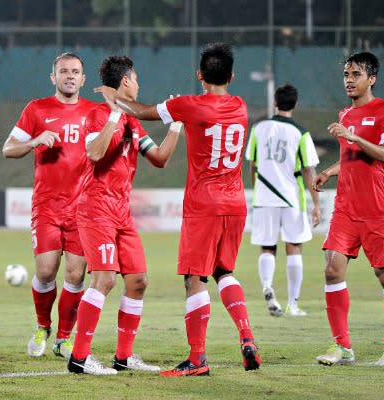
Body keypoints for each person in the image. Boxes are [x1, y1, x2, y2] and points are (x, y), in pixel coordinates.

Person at [96, 42, 262, 376]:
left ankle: (197, 358)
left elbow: (142, 112)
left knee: (194, 278)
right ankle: (246, 337)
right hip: (236, 202)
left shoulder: (190, 105)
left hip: (204, 204)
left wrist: (115, 99)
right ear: (232, 75)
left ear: (200, 75)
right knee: (223, 271)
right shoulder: (241, 106)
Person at [67, 55, 182, 376]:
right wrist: (114, 116)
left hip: (121, 214)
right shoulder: (96, 114)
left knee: (138, 281)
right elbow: (94, 152)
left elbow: (159, 159)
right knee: (104, 279)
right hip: (96, 210)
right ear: (127, 82)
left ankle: (123, 356)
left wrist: (175, 126)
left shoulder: (134, 121)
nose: (139, 85)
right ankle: (79, 357)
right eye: (137, 79)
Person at [2, 53, 97, 360]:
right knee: (45, 272)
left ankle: (64, 339)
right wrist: (34, 141)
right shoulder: (36, 109)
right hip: (47, 207)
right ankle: (43, 326)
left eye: (76, 72)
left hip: (83, 208)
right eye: (64, 71)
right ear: (53, 77)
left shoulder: (94, 113)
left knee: (75, 275)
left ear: (83, 79)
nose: (70, 76)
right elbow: (8, 149)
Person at [313, 52, 384, 366]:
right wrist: (329, 171)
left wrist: (353, 136)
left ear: (372, 78)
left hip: (378, 208)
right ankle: (342, 346)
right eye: (346, 75)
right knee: (331, 269)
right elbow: (352, 158)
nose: (349, 80)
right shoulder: (344, 114)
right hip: (345, 207)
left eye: (356, 74)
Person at [244, 83, 321, 318]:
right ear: (295, 104)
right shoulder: (300, 132)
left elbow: (253, 165)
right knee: (294, 247)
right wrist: (316, 203)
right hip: (291, 197)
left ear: (275, 102)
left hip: (264, 197)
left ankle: (268, 286)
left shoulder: (258, 128)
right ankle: (293, 304)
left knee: (267, 247)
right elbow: (309, 170)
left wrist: (257, 189)